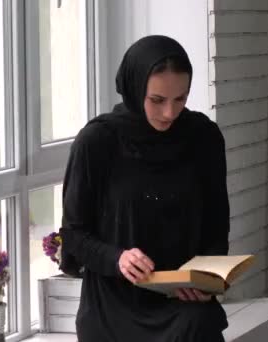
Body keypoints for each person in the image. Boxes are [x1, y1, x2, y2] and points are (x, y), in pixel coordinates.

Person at [59, 35, 230, 341]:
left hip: (181, 301)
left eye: (181, 99)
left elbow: (217, 228)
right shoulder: (98, 142)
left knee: (200, 322)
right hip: (113, 306)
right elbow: (74, 235)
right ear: (135, 89)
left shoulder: (203, 138)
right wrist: (118, 258)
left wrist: (208, 282)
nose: (169, 113)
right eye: (157, 100)